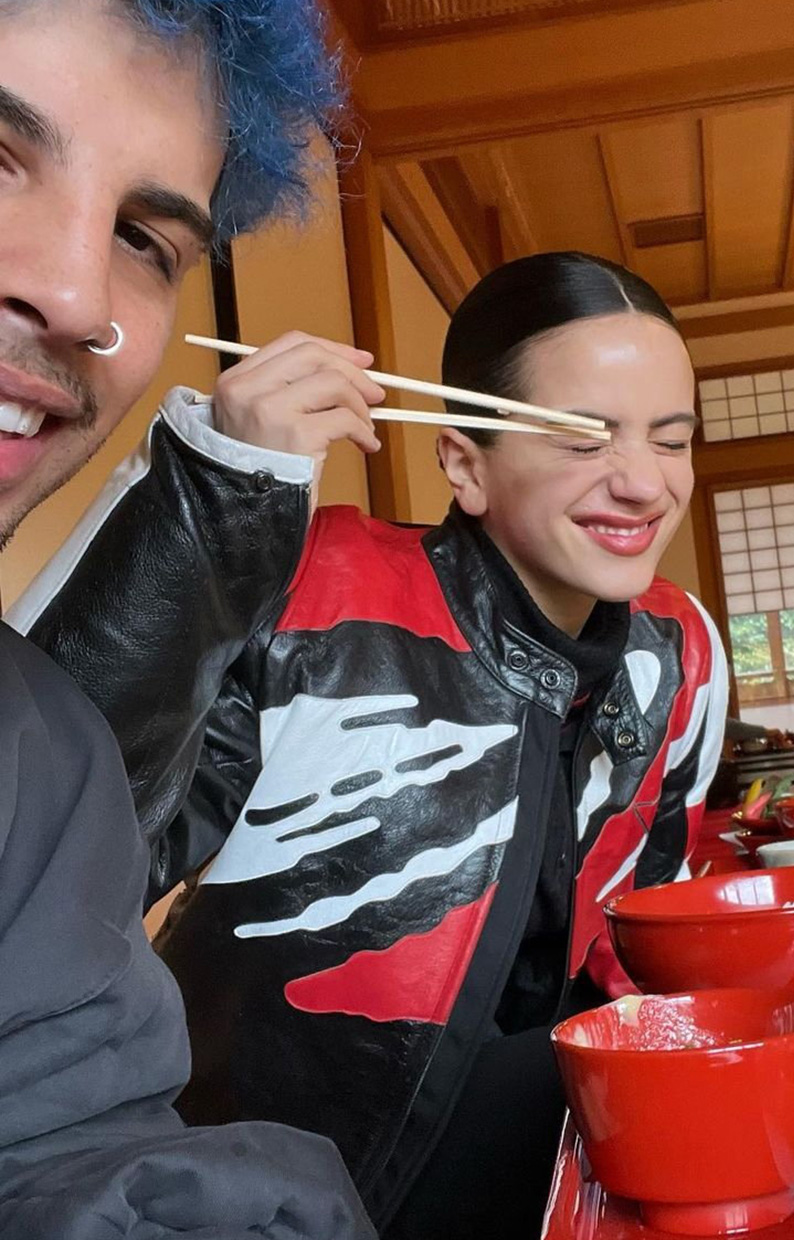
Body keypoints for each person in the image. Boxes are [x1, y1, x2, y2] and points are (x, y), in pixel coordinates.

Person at [14, 251, 729, 1237]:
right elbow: (44, 855)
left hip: (565, 1156)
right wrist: (216, 493)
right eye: (583, 437)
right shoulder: (325, 599)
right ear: (464, 463)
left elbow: (651, 943)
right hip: (285, 1187)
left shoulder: (678, 649)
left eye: (673, 438)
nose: (644, 482)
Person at [0, 1, 375, 1235]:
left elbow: (66, 1138)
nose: (73, 291)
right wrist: (231, 484)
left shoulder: (38, 747)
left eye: (146, 240)